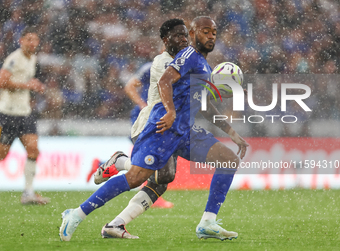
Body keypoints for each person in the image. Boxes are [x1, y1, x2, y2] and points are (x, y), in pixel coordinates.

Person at [59, 16, 248, 241]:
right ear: (193, 33)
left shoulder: (203, 65)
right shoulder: (184, 57)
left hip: (185, 131)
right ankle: (77, 213)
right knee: (136, 177)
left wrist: (233, 134)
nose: (210, 36)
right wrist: (170, 111)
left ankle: (207, 222)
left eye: (214, 32)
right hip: (163, 128)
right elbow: (164, 81)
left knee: (225, 161)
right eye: (205, 31)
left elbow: (204, 106)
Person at [86, 61, 173, 208]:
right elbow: (130, 86)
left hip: (158, 116)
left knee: (149, 155)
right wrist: (141, 104)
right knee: (149, 156)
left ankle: (101, 164)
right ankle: (151, 194)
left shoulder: (175, 67)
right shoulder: (151, 67)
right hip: (145, 116)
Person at [0, 26, 49, 205]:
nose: (32, 43)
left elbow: (23, 82)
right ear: (21, 41)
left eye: (35, 40)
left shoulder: (33, 58)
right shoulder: (14, 59)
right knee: (2, 155)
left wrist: (35, 85)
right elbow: (2, 82)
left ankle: (28, 193)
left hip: (24, 114)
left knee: (33, 150)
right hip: (7, 113)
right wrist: (28, 86)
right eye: (28, 39)